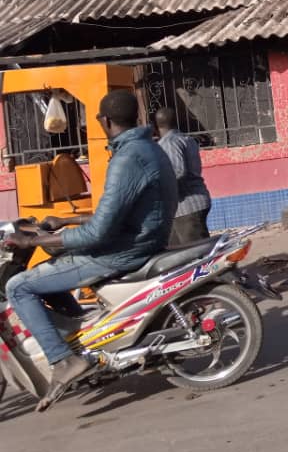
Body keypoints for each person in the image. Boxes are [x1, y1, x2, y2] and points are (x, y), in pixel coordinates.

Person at [3, 90, 178, 411]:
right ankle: (83, 336)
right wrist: (63, 220)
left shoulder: (127, 158)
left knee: (19, 286)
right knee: (53, 264)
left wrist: (32, 242)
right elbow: (112, 212)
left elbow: (99, 230)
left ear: (104, 121)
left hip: (120, 251)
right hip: (138, 240)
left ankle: (62, 361)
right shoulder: (146, 148)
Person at [155, 107, 212, 246]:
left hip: (186, 207)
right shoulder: (186, 139)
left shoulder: (169, 143)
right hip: (188, 205)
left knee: (197, 255)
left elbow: (178, 171)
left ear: (155, 125)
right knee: (174, 254)